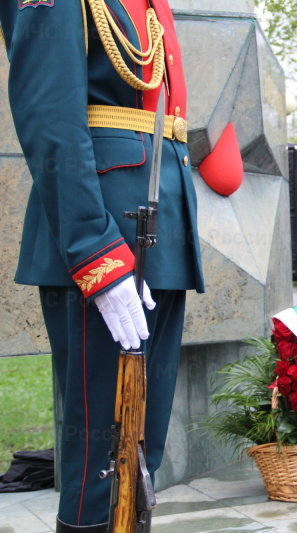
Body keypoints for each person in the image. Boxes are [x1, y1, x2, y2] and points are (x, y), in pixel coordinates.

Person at [0, 3, 204, 532]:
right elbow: (48, 112)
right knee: (101, 453)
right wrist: (96, 251)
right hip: (107, 229)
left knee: (141, 447)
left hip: (161, 223)